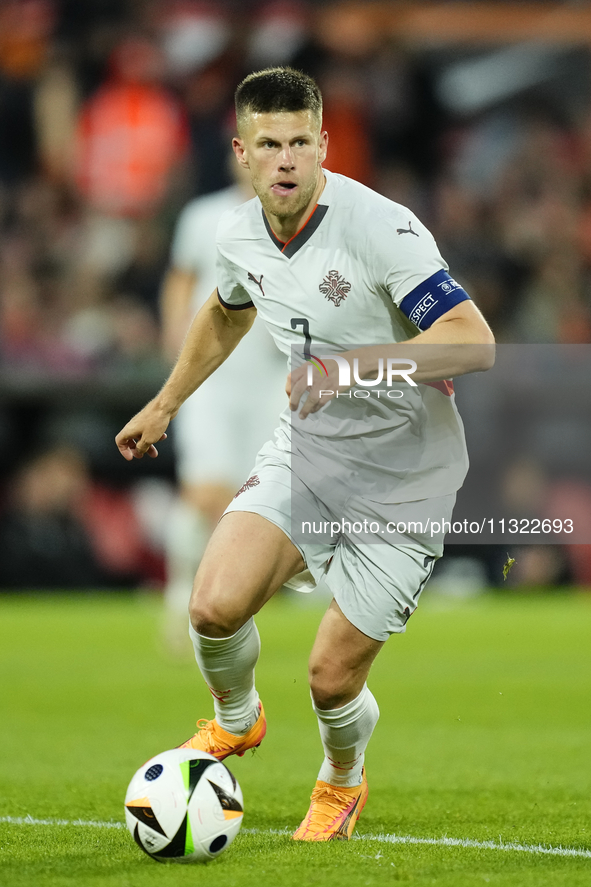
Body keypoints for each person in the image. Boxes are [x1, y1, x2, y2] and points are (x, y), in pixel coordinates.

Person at [116, 67, 495, 841]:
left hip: (405, 475)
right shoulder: (238, 235)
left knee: (329, 678)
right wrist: (164, 402)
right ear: (241, 153)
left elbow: (472, 342)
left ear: (323, 145)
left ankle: (341, 781)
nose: (285, 159)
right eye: (268, 144)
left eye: (299, 142)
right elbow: (225, 312)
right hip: (312, 451)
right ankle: (237, 719)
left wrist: (346, 368)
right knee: (212, 605)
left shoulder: (379, 228)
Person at [160, 160, 286, 653]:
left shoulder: (300, 217)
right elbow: (181, 280)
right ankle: (179, 600)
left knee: (261, 500)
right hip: (211, 380)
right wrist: (176, 338)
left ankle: (239, 607)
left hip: (272, 377)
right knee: (205, 492)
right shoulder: (202, 216)